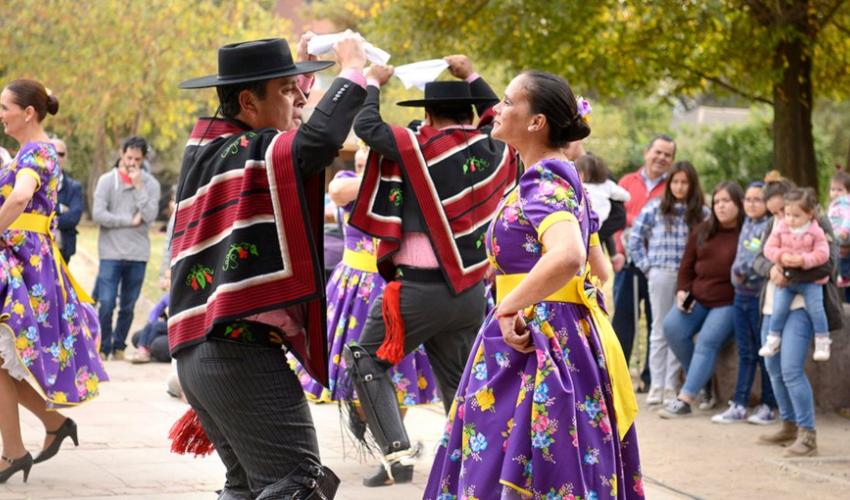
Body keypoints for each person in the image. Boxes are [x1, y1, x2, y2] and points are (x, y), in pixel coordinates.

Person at [424, 70, 641, 499]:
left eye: (507, 101)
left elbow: (569, 256)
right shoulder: (560, 177)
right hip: (553, 331)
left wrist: (508, 305)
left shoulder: (542, 181)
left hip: (537, 339)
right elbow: (588, 264)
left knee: (521, 462)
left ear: (536, 122)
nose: (497, 109)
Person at [168, 34, 367, 499]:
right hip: (237, 353)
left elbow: (296, 136)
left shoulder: (212, 148)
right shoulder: (246, 151)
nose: (298, 97)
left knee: (248, 486)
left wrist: (298, 76)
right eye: (285, 89)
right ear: (246, 101)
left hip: (202, 353)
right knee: (298, 482)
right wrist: (353, 69)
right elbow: (315, 142)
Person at [344, 54, 519, 486]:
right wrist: (473, 73)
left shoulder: (415, 148)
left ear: (428, 114)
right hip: (471, 294)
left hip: (417, 293)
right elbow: (500, 114)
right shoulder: (497, 150)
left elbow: (366, 128)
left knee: (365, 359)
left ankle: (396, 455)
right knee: (459, 381)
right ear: (473, 113)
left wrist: (372, 83)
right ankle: (481, 465)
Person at [0, 79, 107, 482]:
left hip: (23, 264)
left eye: (5, 107)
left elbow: (21, 197)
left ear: (28, 113)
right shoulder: (34, 151)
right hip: (23, 260)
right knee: (2, 363)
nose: (1, 114)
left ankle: (17, 449)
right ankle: (45, 430)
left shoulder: (35, 153)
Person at [752, 179, 843, 456]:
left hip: (804, 304)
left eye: (784, 211)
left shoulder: (818, 224)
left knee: (791, 368)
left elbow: (828, 263)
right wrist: (771, 269)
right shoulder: (776, 224)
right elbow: (758, 258)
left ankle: (808, 433)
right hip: (772, 303)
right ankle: (789, 423)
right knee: (773, 366)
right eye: (775, 213)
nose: (782, 218)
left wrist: (791, 271)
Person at [659, 182, 744, 418]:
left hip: (728, 302)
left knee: (707, 341)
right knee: (672, 327)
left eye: (726, 201)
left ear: (739, 203)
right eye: (717, 201)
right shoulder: (703, 230)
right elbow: (686, 267)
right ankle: (703, 382)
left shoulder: (746, 233)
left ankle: (685, 399)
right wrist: (682, 291)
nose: (721, 206)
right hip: (698, 297)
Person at [627, 161, 706, 406]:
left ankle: (672, 384)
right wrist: (647, 267)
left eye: (685, 182)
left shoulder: (701, 213)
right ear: (669, 184)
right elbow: (635, 239)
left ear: (692, 185)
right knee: (660, 328)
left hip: (689, 279)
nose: (680, 187)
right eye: (676, 182)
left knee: (678, 330)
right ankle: (657, 384)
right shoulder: (656, 208)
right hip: (660, 272)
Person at [612, 135, 676, 391]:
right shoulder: (627, 182)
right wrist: (617, 249)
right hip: (627, 262)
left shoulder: (672, 186)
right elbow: (614, 218)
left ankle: (651, 378)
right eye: (657, 152)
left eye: (667, 155)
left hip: (656, 264)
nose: (661, 158)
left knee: (654, 321)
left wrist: (633, 219)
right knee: (623, 320)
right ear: (646, 152)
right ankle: (618, 377)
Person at [711, 181, 777, 424]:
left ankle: (768, 405)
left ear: (767, 203)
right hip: (741, 295)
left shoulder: (769, 226)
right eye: (747, 199)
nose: (751, 204)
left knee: (763, 352)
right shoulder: (747, 223)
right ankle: (739, 404)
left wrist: (745, 272)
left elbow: (764, 259)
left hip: (759, 297)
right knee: (746, 352)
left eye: (757, 199)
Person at [92, 136, 161, 361]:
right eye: (129, 157)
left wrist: (139, 186)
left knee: (128, 305)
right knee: (107, 301)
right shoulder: (106, 181)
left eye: (137, 159)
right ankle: (103, 346)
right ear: (122, 154)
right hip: (110, 253)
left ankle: (119, 346)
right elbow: (98, 214)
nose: (132, 162)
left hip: (137, 253)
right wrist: (128, 220)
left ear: (143, 160)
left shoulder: (151, 184)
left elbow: (150, 215)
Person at [760, 188, 831, 361]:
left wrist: (804, 260)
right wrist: (781, 257)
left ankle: (822, 340)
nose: (790, 219)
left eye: (796, 216)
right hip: (787, 281)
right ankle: (773, 338)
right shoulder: (780, 228)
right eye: (788, 214)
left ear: (809, 214)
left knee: (816, 309)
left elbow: (824, 254)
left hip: (811, 283)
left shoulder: (816, 230)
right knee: (779, 309)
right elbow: (768, 248)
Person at [49, 138, 83, 264]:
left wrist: (46, 221)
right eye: (53, 152)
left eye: (61, 154)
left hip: (63, 250)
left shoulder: (74, 187)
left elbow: (74, 217)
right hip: (37, 251)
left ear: (66, 157)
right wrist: (60, 209)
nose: (57, 157)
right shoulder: (35, 182)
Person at [577, 153, 630, 225]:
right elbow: (626, 196)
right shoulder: (608, 185)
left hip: (583, 222)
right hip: (600, 222)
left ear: (582, 173)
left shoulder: (580, 186)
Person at [827, 170, 850, 289]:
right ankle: (842, 275)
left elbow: (848, 216)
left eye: (839, 190)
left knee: (842, 255)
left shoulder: (845, 202)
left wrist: (845, 230)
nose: (835, 193)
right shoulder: (834, 204)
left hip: (844, 234)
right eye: (833, 189)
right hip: (836, 234)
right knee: (838, 254)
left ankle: (845, 276)